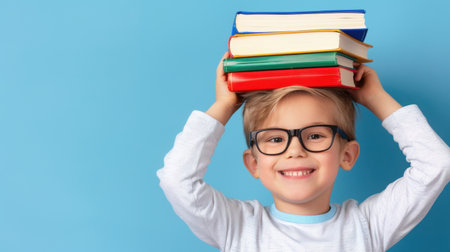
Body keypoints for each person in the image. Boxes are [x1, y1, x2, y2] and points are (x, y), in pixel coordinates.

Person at [157, 52, 450, 251]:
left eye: (315, 135)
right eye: (274, 139)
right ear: (253, 163)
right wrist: (223, 107)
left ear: (347, 155)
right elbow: (177, 180)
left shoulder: (368, 226)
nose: (294, 150)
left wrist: (375, 98)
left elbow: (436, 164)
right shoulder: (238, 226)